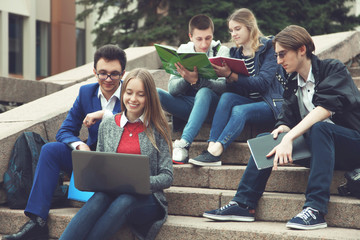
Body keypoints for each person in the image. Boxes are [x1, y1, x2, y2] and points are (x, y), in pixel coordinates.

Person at [202, 25, 360, 230]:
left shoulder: (333, 69)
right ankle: (243, 203)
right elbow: (286, 116)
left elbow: (325, 109)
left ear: (302, 49)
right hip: (321, 149)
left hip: (352, 146)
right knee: (268, 138)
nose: (278, 61)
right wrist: (282, 130)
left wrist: (289, 138)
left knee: (321, 128)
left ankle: (315, 209)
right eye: (276, 55)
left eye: (282, 54)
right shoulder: (293, 81)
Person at [3, 44, 127, 240]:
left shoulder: (132, 93)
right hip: (90, 157)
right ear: (94, 72)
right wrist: (81, 146)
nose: (108, 79)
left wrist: (106, 114)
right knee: (51, 149)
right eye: (103, 73)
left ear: (123, 73)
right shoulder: (86, 92)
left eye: (114, 74)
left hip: (121, 160)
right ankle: (38, 221)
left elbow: (139, 121)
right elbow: (65, 131)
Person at [59, 68, 173, 240]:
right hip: (110, 194)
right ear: (123, 93)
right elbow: (100, 165)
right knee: (99, 198)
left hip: (148, 199)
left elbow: (167, 176)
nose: (133, 99)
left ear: (149, 97)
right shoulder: (108, 124)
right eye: (129, 92)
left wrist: (139, 182)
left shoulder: (159, 129)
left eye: (140, 94)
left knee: (125, 200)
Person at [189, 8, 284, 166]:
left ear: (250, 26)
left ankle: (218, 150)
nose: (233, 34)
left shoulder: (269, 48)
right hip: (249, 101)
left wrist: (232, 76)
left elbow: (262, 83)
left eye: (237, 29)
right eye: (231, 30)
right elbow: (233, 90)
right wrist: (223, 76)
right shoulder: (235, 53)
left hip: (270, 104)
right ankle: (211, 146)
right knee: (227, 97)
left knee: (239, 110)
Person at [156, 14, 230, 164]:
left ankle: (184, 144)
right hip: (188, 105)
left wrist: (198, 82)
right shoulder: (183, 50)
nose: (204, 44)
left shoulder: (222, 51)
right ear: (191, 37)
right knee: (155, 93)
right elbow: (172, 89)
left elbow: (225, 87)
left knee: (203, 92)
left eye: (208, 38)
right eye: (199, 39)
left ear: (213, 35)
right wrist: (186, 79)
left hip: (213, 107)